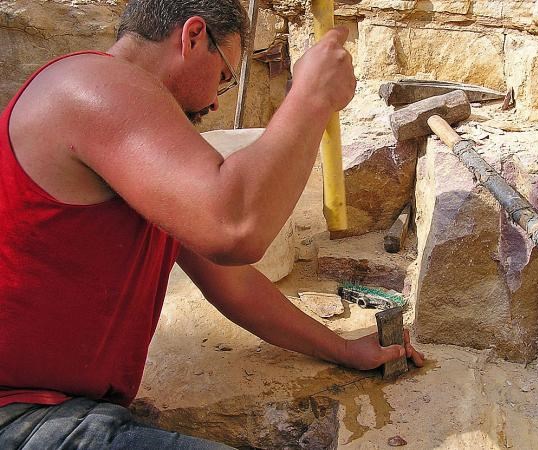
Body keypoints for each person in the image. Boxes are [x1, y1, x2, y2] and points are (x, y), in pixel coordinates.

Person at [0, 0, 424, 448]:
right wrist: (312, 95)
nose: (211, 106)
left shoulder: (134, 142)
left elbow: (234, 283)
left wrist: (342, 349)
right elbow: (236, 228)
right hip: (20, 415)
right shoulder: (91, 84)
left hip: (58, 411)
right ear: (193, 36)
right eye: (223, 78)